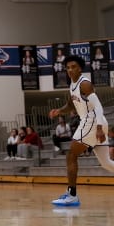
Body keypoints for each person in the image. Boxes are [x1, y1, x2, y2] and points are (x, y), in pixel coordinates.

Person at [49, 54, 114, 206]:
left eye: (74, 67)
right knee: (106, 163)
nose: (70, 70)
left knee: (71, 155)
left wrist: (98, 128)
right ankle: (71, 195)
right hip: (92, 122)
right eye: (68, 67)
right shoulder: (72, 86)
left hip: (92, 121)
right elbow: (71, 106)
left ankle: (72, 195)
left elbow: (98, 106)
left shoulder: (85, 84)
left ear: (80, 69)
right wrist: (59, 111)